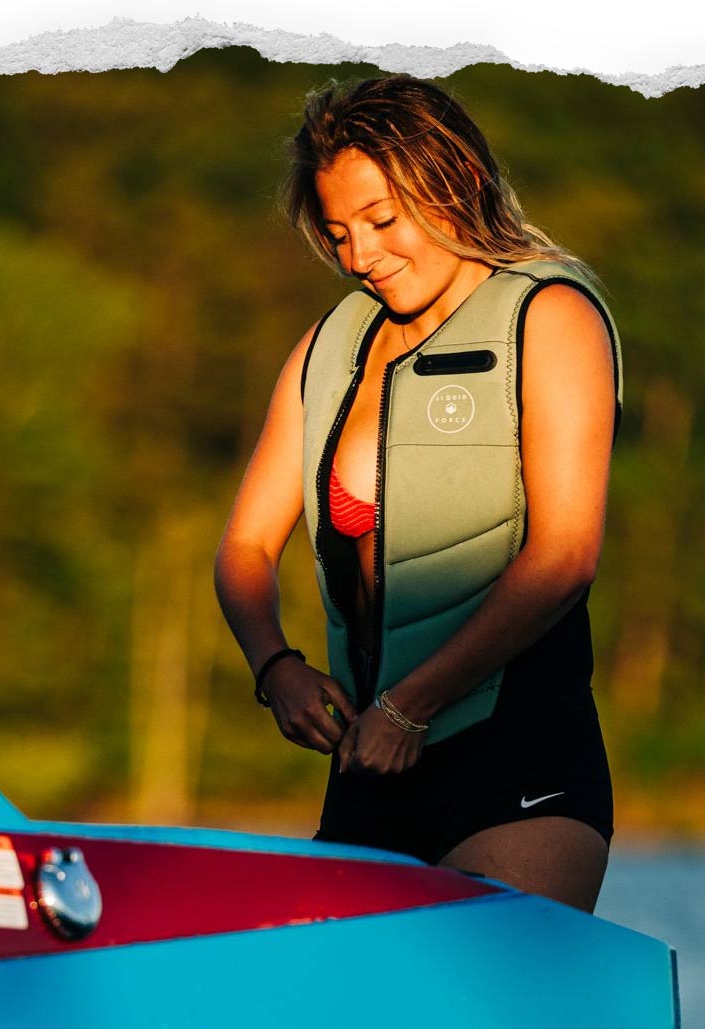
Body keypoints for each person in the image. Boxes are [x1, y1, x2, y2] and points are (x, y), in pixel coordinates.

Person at [214, 74, 621, 913]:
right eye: (337, 234)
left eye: (381, 222)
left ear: (457, 181)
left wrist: (411, 707)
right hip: (369, 767)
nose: (360, 257)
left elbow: (566, 557)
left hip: (515, 762)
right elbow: (246, 548)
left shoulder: (550, 318)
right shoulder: (329, 350)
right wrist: (276, 668)